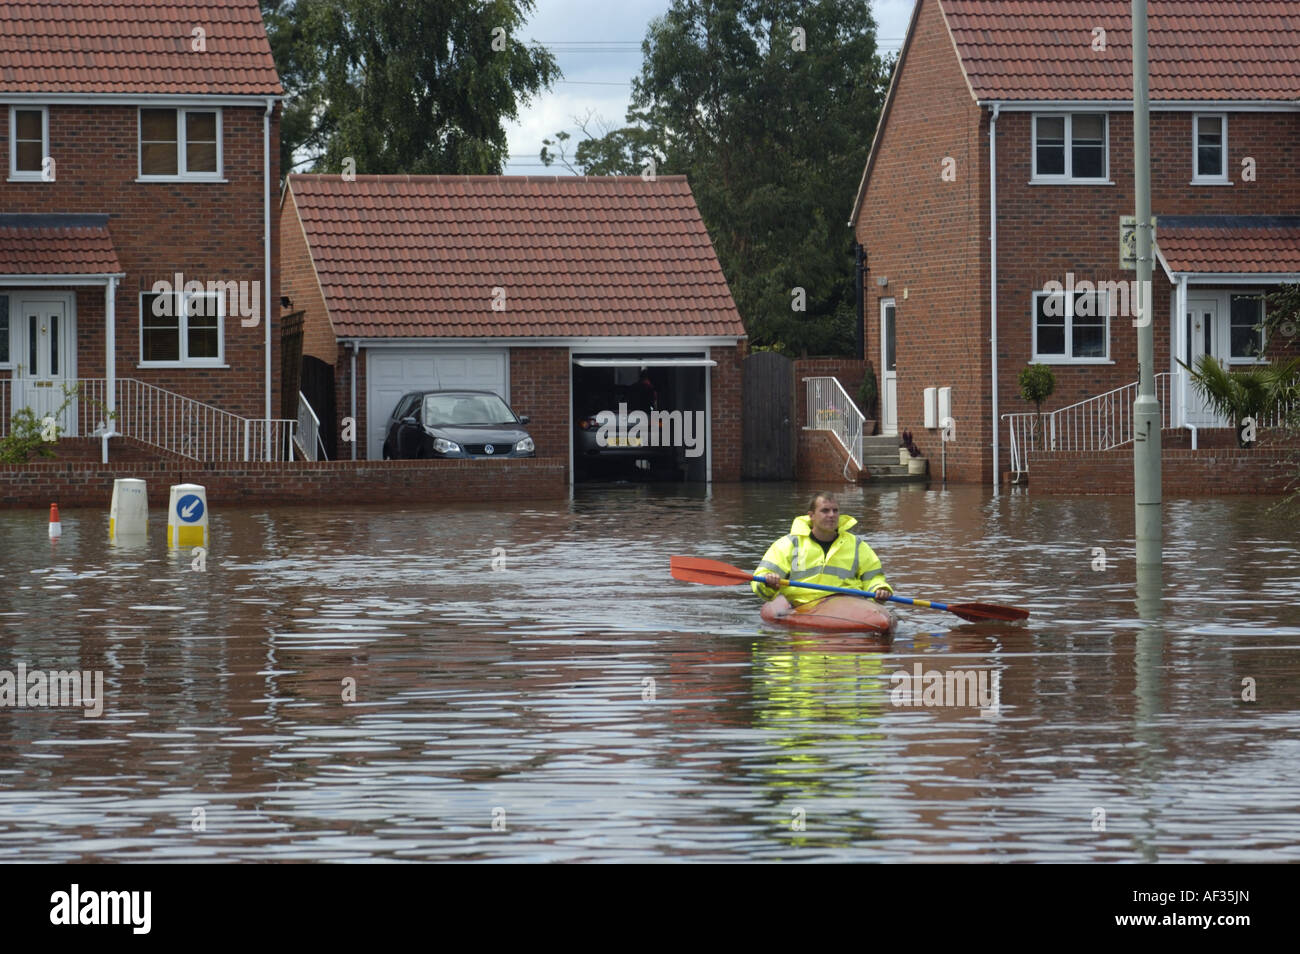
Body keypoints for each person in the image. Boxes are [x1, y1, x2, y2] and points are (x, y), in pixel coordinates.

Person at [752, 491, 892, 615]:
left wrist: (879, 588)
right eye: (825, 511)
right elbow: (761, 577)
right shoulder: (788, 544)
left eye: (835, 510)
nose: (832, 515)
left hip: (848, 605)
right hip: (803, 605)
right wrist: (768, 581)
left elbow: (874, 577)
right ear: (811, 515)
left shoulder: (856, 545)